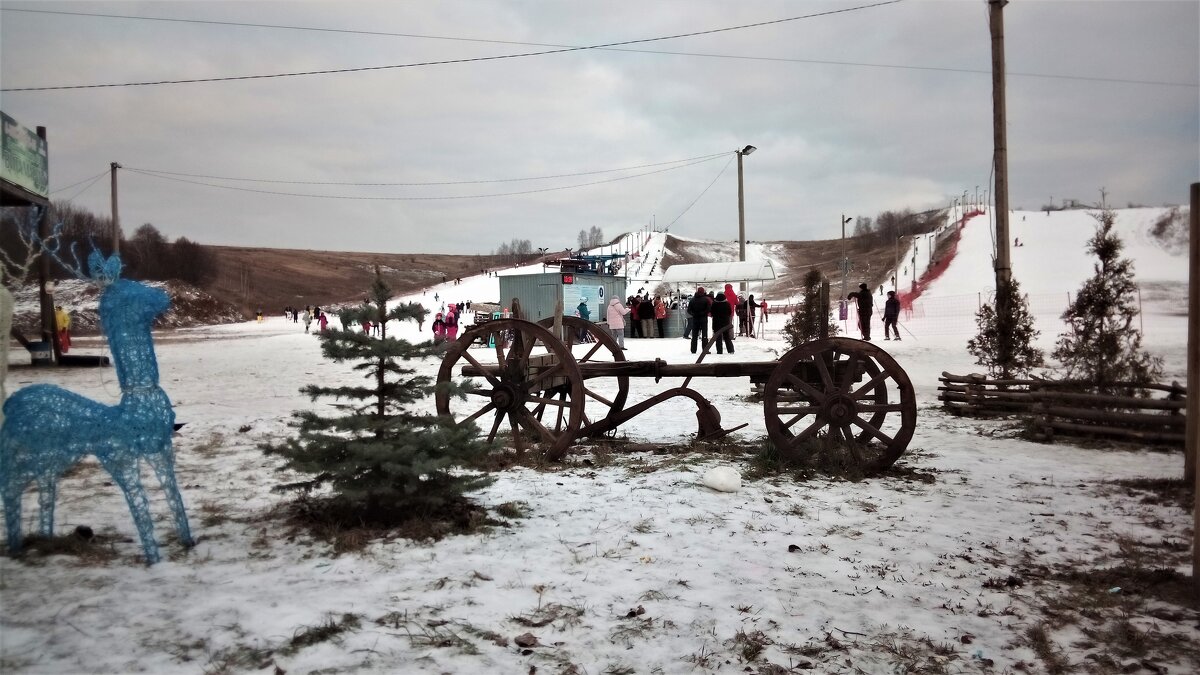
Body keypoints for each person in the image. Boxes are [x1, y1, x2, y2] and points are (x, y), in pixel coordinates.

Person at [687, 287, 712, 355]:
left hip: (695, 319)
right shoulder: (706, 300)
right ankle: (705, 349)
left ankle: (693, 350)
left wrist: (694, 314)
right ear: (703, 292)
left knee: (694, 335)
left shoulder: (692, 300)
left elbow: (689, 310)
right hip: (703, 319)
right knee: (704, 335)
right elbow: (709, 309)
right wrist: (703, 313)